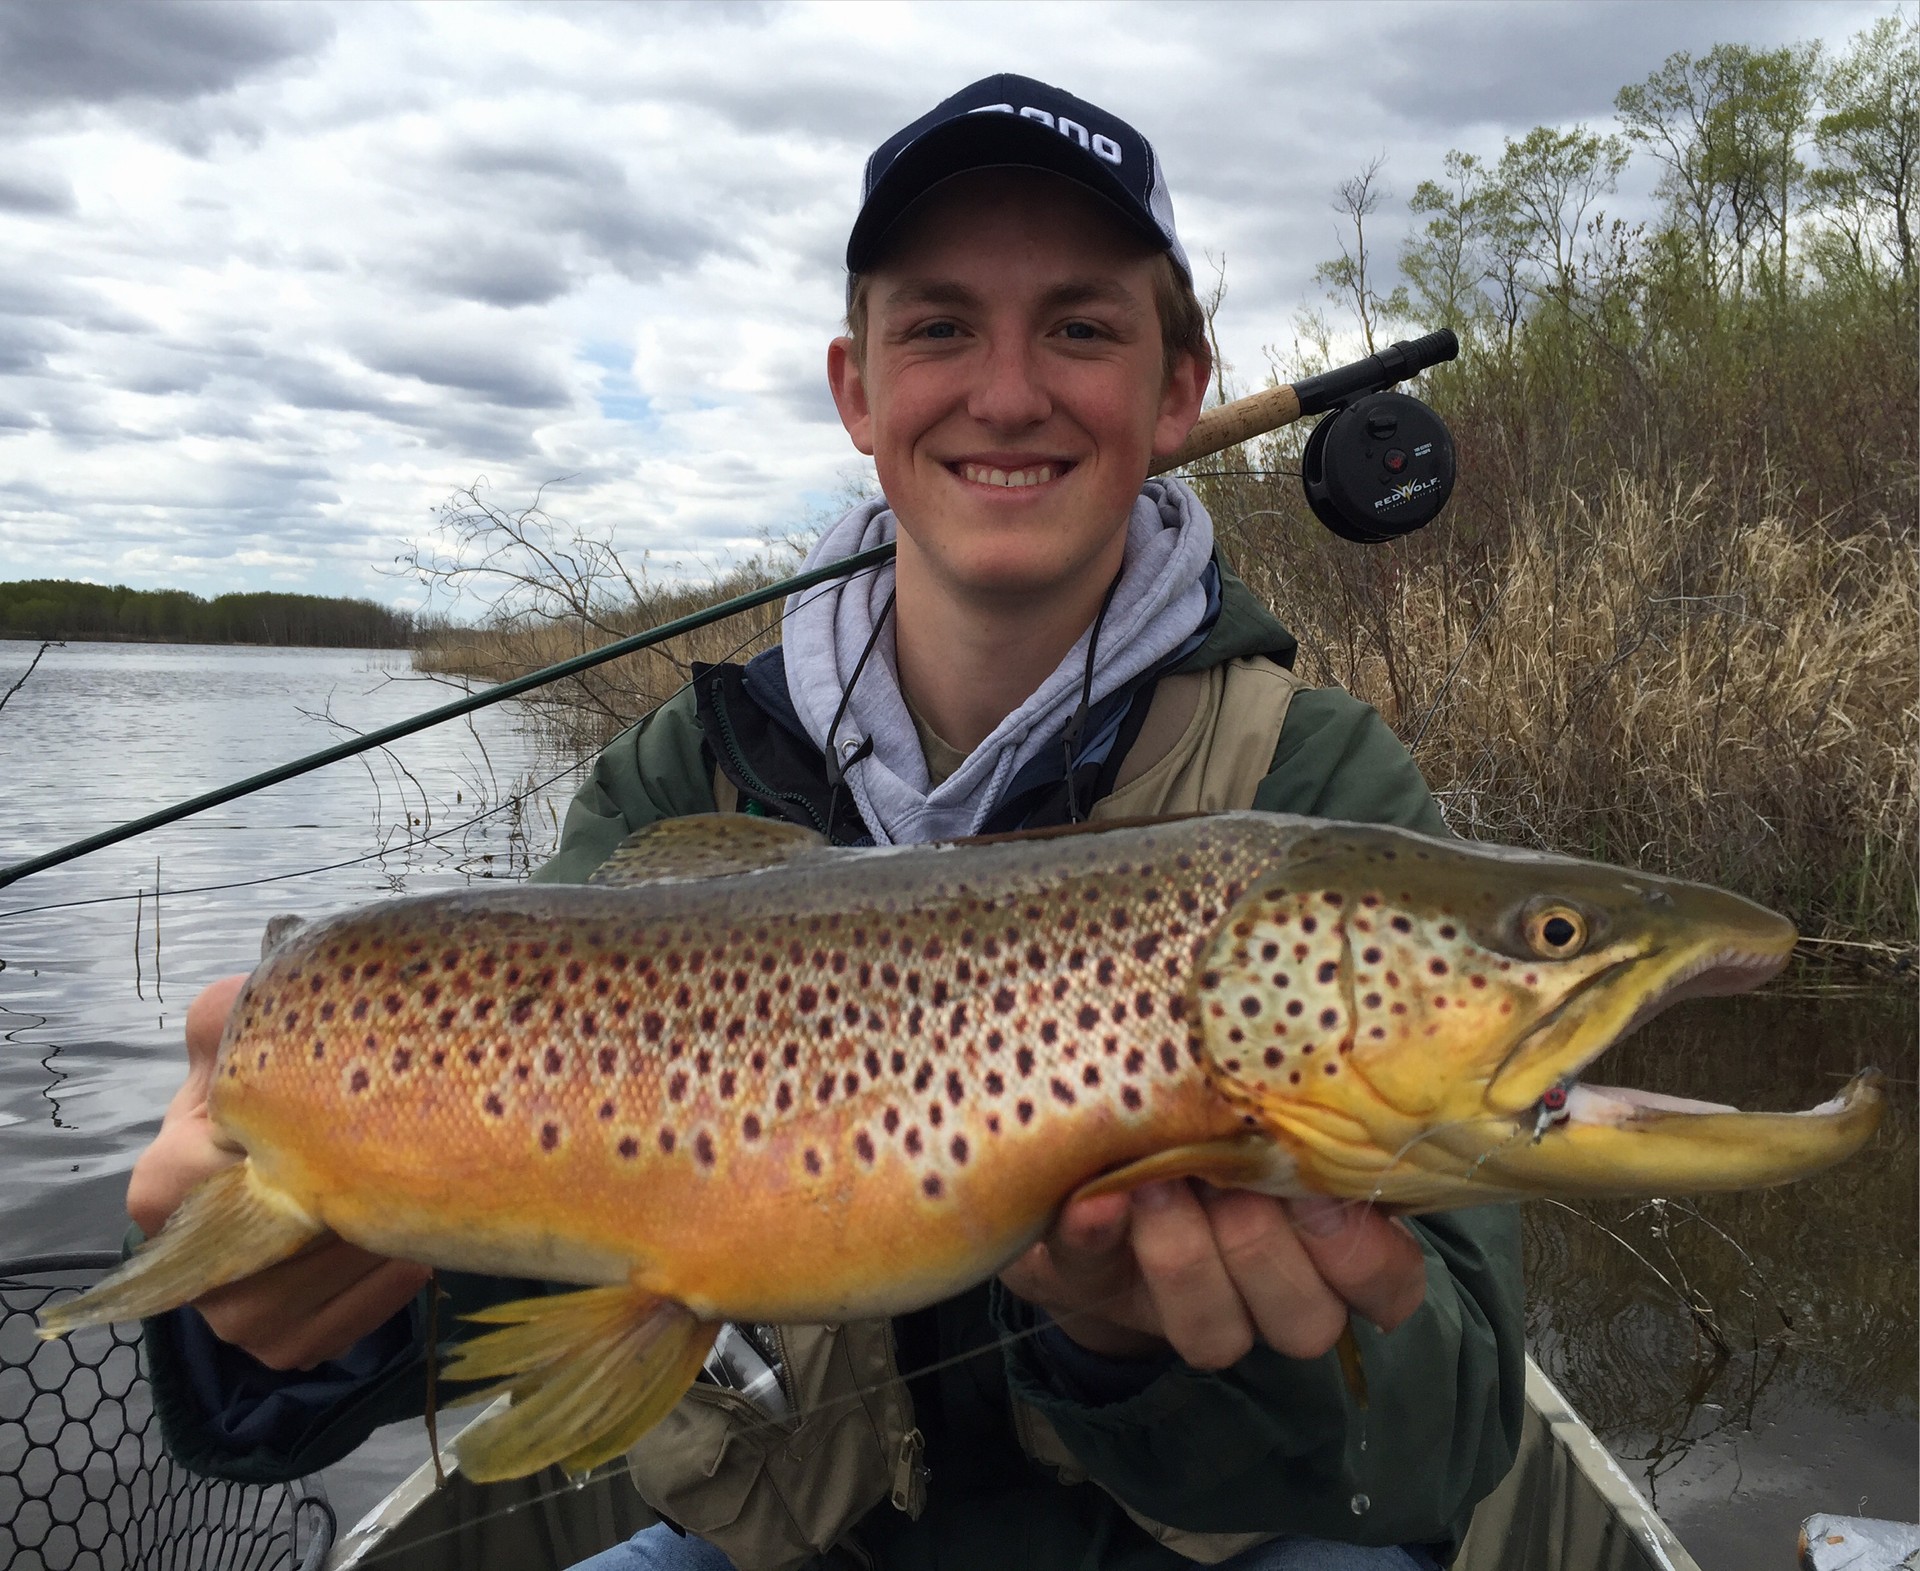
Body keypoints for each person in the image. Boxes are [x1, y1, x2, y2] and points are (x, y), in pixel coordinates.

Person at [127, 76, 1523, 1571]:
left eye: (1080, 328)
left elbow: (1447, 1442)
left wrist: (1134, 1350)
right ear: (857, 391)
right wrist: (261, 1301)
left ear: (1176, 387)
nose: (1007, 394)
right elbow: (466, 1265)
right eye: (940, 329)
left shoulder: (1313, 790)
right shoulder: (687, 774)